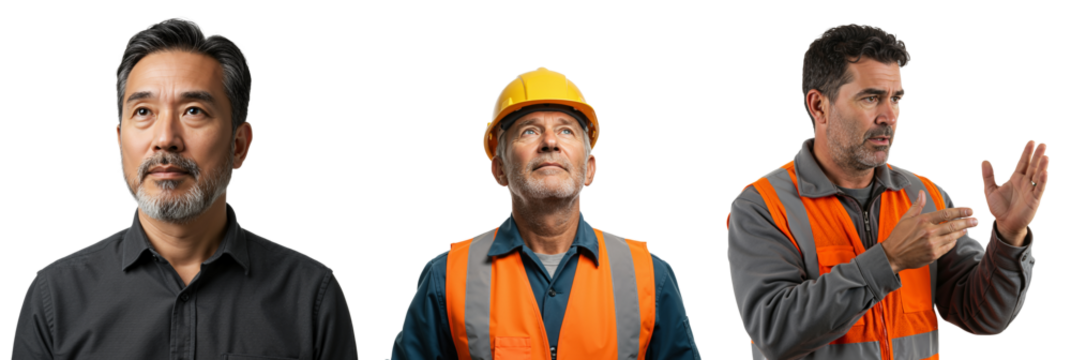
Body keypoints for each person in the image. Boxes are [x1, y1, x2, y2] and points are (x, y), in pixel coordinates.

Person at [9, 16, 360, 359]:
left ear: (239, 145)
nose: (165, 139)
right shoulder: (54, 297)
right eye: (143, 111)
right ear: (119, 142)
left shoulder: (311, 298)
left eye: (194, 111)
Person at [726, 23, 1044, 360]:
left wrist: (1010, 237)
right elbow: (774, 331)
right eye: (871, 98)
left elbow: (985, 316)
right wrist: (889, 260)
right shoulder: (763, 206)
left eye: (896, 99)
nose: (889, 116)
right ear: (819, 106)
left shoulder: (925, 195)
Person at [387, 66, 702, 359]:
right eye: (529, 131)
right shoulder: (446, 277)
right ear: (499, 170)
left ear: (590, 169)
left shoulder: (649, 276)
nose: (550, 142)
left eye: (566, 131)